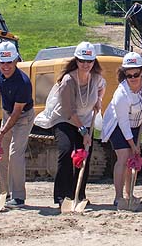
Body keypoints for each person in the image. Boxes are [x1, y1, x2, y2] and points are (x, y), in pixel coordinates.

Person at [35, 42, 106, 207]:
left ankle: (79, 194)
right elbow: (69, 111)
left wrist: (99, 101)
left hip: (86, 119)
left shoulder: (96, 78)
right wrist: (84, 132)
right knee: (67, 151)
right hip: (65, 119)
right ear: (77, 61)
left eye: (89, 61)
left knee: (84, 156)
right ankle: (61, 195)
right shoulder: (68, 80)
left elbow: (102, 87)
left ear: (94, 61)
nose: (86, 64)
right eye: (82, 61)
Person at [101, 52, 142, 207]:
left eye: (136, 74)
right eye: (128, 75)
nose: (133, 78)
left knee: (133, 160)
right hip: (118, 124)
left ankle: (130, 194)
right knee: (124, 157)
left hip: (136, 122)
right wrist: (133, 145)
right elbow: (123, 123)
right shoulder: (121, 95)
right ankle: (118, 197)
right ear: (124, 74)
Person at [0, 41, 34, 207]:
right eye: (2, 62)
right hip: (7, 113)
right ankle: (5, 193)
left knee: (15, 154)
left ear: (16, 61)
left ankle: (18, 196)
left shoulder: (23, 83)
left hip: (22, 117)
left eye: (9, 62)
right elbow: (0, 78)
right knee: (1, 152)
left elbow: (17, 114)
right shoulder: (1, 73)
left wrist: (1, 133)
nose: (6, 66)